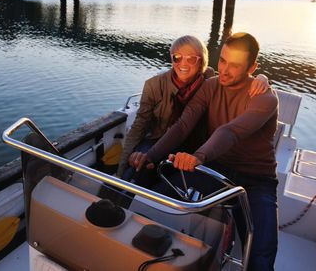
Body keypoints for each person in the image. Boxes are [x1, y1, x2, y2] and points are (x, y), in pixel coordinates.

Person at [134, 32, 279, 271]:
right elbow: (182, 126)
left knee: (261, 253)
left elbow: (230, 132)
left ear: (252, 67)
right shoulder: (211, 86)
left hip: (256, 180)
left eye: (234, 65)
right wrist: (151, 156)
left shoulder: (265, 97)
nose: (224, 70)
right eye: (222, 60)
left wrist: (198, 156)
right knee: (155, 201)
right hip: (216, 169)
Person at [117, 35, 269, 182]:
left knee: (170, 177)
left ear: (202, 61)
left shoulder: (208, 81)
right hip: (160, 139)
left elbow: (237, 78)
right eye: (177, 57)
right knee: (137, 169)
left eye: (191, 59)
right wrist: (123, 167)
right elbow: (141, 125)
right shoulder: (154, 85)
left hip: (196, 146)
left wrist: (262, 78)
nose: (183, 64)